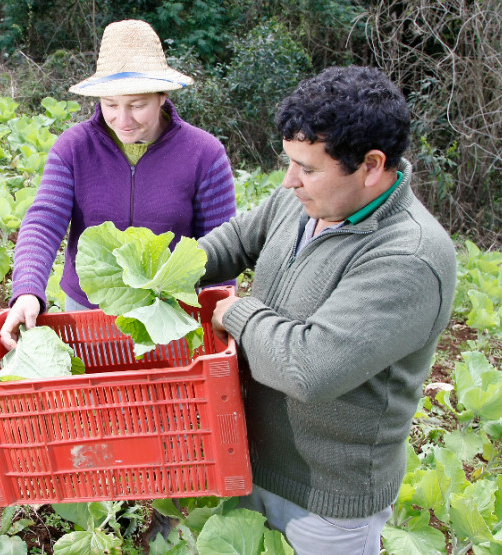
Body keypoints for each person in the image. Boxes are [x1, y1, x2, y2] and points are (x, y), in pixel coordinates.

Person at [196, 65, 457, 554]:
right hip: (248, 459)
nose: (290, 180)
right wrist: (154, 272)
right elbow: (234, 242)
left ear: (372, 165)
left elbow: (311, 368)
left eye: (308, 167)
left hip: (327, 502)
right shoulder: (308, 199)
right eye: (289, 161)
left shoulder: (410, 256)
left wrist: (236, 313)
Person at [0, 19, 237, 350]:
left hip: (170, 315)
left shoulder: (204, 154)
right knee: (100, 399)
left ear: (162, 96)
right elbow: (44, 219)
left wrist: (219, 306)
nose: (123, 120)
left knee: (172, 400)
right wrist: (27, 290)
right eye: (111, 105)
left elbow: (222, 244)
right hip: (89, 312)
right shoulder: (74, 147)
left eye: (137, 105)